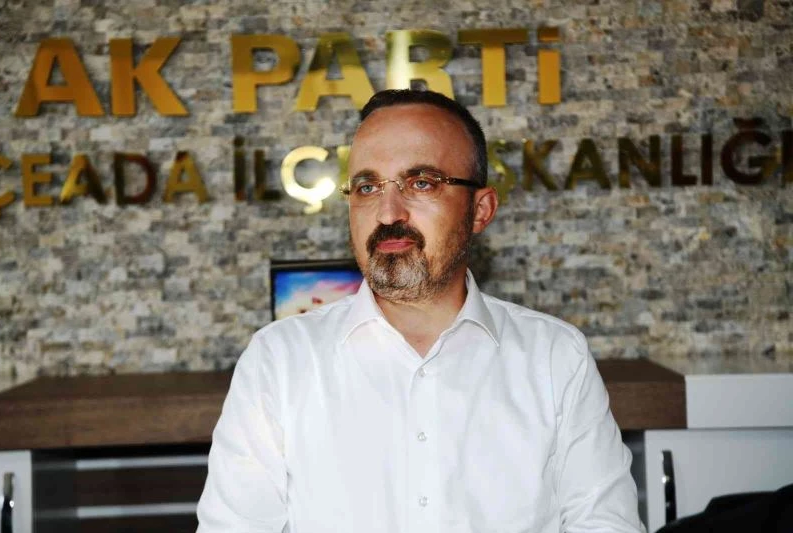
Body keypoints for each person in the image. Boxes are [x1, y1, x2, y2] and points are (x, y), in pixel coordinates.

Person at [197, 89, 644, 533]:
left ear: (480, 209)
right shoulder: (280, 361)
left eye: (421, 183)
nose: (388, 212)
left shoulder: (555, 358)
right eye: (368, 187)